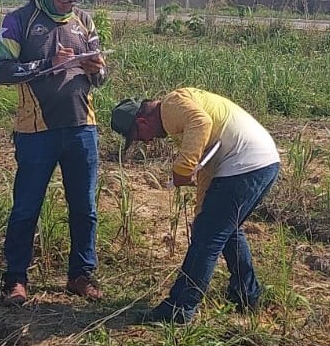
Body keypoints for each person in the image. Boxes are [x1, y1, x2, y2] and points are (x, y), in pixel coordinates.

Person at [110, 88, 280, 324]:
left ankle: (180, 308)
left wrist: (181, 169)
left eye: (139, 136)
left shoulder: (172, 104)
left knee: (207, 239)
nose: (146, 142)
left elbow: (201, 123)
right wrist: (201, 210)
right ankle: (246, 295)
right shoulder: (182, 112)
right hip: (262, 162)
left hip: (245, 164)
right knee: (226, 230)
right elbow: (208, 164)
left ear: (141, 120)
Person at [0, 0, 106, 306]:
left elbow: (100, 79)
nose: (70, 2)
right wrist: (47, 64)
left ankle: (80, 274)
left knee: (84, 206)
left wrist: (96, 68)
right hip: (36, 131)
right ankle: (15, 278)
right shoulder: (18, 21)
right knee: (27, 207)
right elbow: (2, 71)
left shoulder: (84, 22)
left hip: (82, 128)